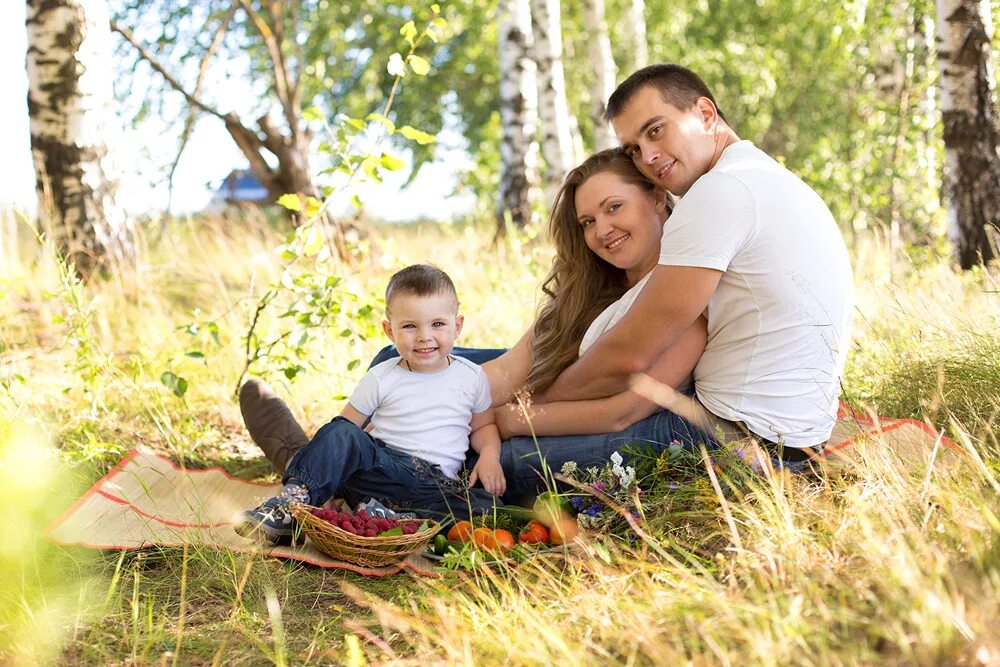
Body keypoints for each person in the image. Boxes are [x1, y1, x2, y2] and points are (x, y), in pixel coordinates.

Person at [241, 149, 714, 505]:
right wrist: (450, 399)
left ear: (656, 197)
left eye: (614, 207)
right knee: (399, 360)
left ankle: (313, 466)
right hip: (539, 400)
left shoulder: (684, 287)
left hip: (590, 425)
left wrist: (500, 418)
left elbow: (622, 411)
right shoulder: (592, 287)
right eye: (588, 220)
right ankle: (342, 465)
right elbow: (512, 370)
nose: (601, 231)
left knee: (485, 459)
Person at [541, 64, 854, 465]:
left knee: (511, 454)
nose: (648, 157)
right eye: (634, 149)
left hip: (737, 441)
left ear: (705, 114)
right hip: (793, 439)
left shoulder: (721, 190)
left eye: (656, 130)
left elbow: (627, 355)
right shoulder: (763, 176)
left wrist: (535, 404)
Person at [235, 264, 503, 544]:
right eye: (410, 326)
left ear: (457, 326)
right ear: (389, 331)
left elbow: (484, 425)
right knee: (341, 433)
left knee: (488, 510)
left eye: (437, 324)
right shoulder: (382, 376)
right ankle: (290, 505)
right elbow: (344, 431)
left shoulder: (471, 376)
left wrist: (489, 455)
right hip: (384, 468)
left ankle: (379, 515)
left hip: (435, 485)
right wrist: (342, 456)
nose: (425, 336)